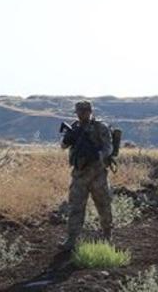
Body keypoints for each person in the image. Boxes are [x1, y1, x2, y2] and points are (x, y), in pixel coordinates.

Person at [59, 100, 114, 252]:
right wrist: (67, 139)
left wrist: (97, 155)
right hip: (79, 175)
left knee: (103, 206)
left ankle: (107, 235)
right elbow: (63, 147)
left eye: (85, 111)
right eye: (79, 111)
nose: (82, 114)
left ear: (90, 111)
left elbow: (109, 146)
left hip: (98, 174)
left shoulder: (100, 127)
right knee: (75, 207)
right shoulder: (74, 127)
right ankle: (72, 239)